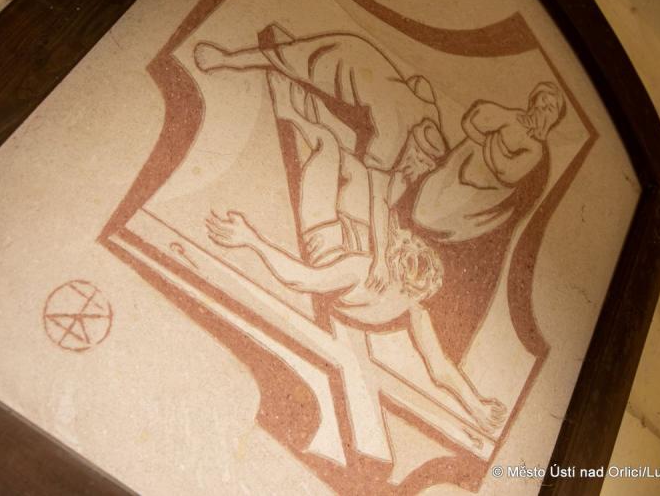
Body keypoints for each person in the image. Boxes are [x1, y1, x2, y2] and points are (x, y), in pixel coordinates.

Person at [205, 207, 507, 435]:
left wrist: (477, 407)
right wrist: (251, 239)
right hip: (327, 241)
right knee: (338, 164)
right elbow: (301, 279)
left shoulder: (414, 308)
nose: (404, 295)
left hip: (346, 237)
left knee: (349, 173)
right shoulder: (361, 270)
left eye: (411, 291)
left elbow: (440, 368)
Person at [194, 26, 448, 291]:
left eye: (425, 168)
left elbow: (421, 84)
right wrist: (381, 257)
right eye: (418, 163)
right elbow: (379, 197)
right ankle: (231, 62)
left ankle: (293, 105)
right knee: (293, 66)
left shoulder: (425, 112)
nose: (417, 172)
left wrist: (250, 239)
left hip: (329, 236)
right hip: (339, 62)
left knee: (337, 146)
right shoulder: (392, 137)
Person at [412, 82, 566, 242]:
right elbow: (471, 119)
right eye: (543, 99)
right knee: (433, 195)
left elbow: (507, 173)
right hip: (457, 171)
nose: (543, 107)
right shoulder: (513, 116)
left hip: (485, 193)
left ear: (552, 120)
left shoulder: (535, 148)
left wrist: (489, 140)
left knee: (447, 216)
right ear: (533, 99)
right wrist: (489, 141)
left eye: (550, 108)